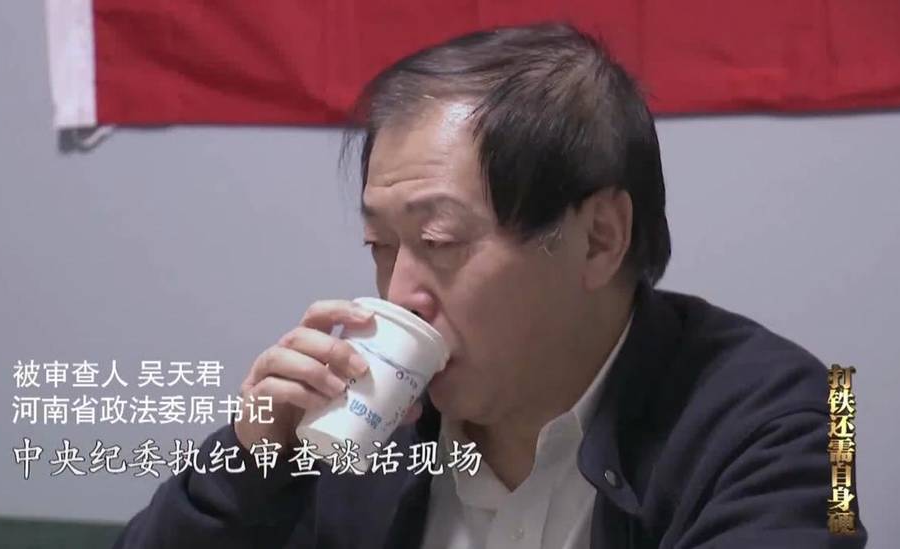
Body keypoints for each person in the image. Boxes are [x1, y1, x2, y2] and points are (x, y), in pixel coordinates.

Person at [114, 22, 867, 548]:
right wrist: (245, 466)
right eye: (380, 246)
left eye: (439, 241)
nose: (399, 294)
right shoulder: (359, 432)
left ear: (599, 238)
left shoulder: (805, 410)